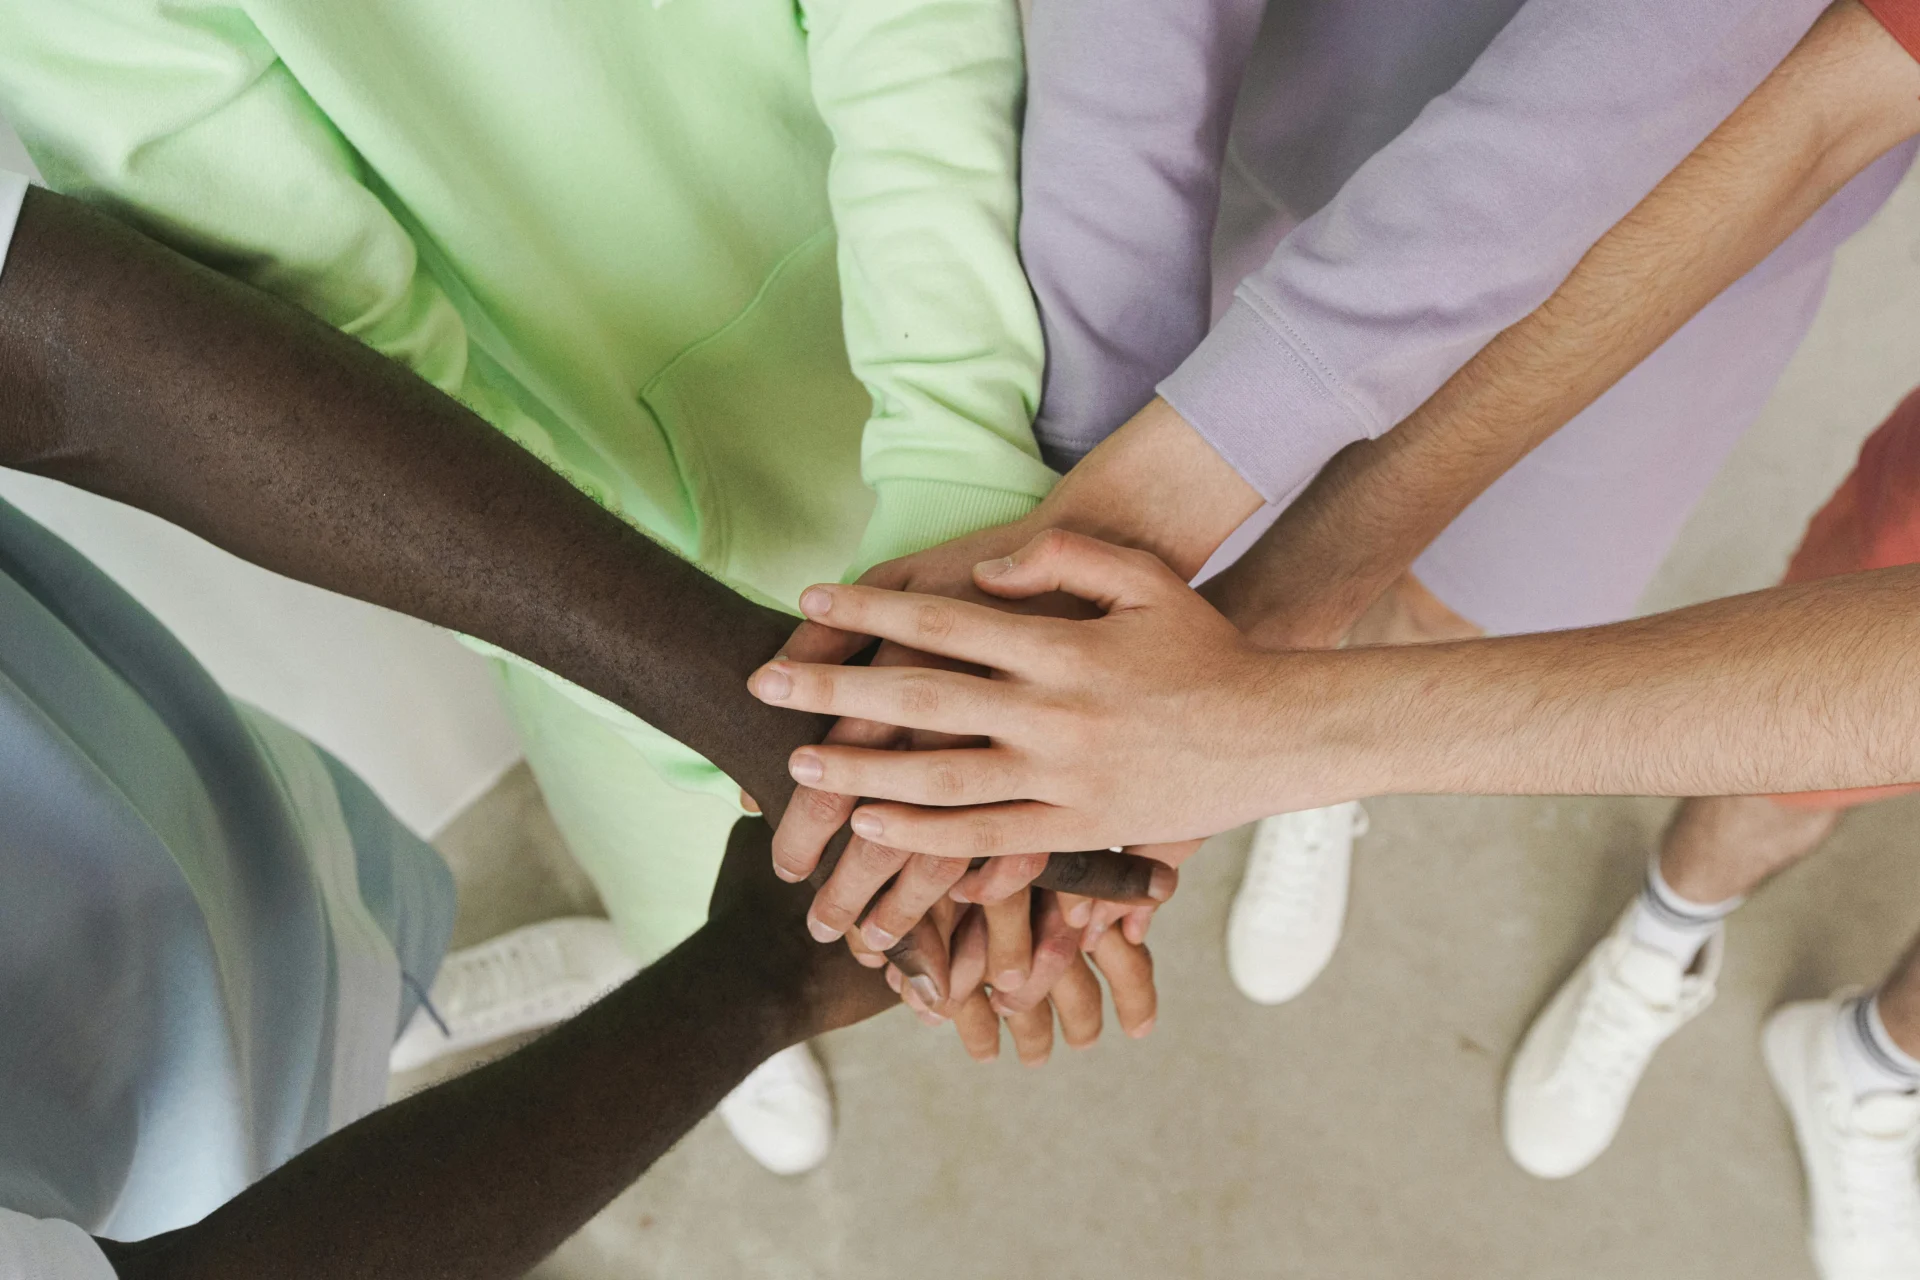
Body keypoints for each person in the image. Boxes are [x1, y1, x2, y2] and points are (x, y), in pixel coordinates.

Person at [745, 2, 1920, 1273]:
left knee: (1495, 593)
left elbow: (1824, 92)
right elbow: (1836, 90)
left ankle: (1330, 778)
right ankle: (1303, 729)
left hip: (1706, 227)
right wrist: (1160, 559)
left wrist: (1274, 719)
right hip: (1374, 100)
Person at [0, 0, 1087, 1169]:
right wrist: (763, 724)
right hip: (581, 580)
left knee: (1088, 741)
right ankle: (725, 1013)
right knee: (688, 876)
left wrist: (960, 474)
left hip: (985, 328)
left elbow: (910, 23)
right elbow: (331, 356)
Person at [0, 172, 908, 1277]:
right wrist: (752, 986)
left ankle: (381, 1014)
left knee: (292, 935)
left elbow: (50, 355)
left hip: (82, 813)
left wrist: (759, 692)